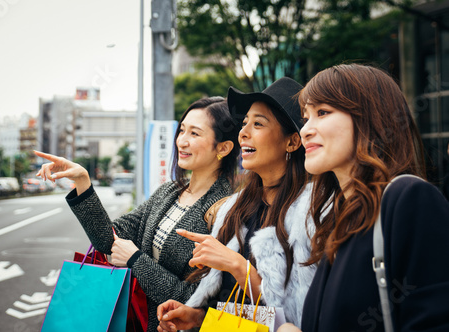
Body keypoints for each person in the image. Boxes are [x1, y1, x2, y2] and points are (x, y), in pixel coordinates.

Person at [34, 96, 240, 332]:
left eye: (194, 134)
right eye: (181, 130)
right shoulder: (168, 192)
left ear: (223, 147)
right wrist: (83, 182)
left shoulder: (227, 211)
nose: (181, 141)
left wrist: (136, 261)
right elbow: (106, 240)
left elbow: (196, 302)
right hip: (135, 322)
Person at [278, 64, 449, 332]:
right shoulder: (337, 219)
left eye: (322, 112)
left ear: (370, 118)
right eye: (305, 118)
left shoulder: (409, 200)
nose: (306, 130)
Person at [157, 77, 316, 331]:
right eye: (244, 123)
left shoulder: (310, 216)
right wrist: (197, 318)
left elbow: (294, 319)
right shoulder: (234, 208)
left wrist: (237, 264)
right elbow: (239, 310)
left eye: (258, 124)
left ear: (292, 142)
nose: (243, 132)